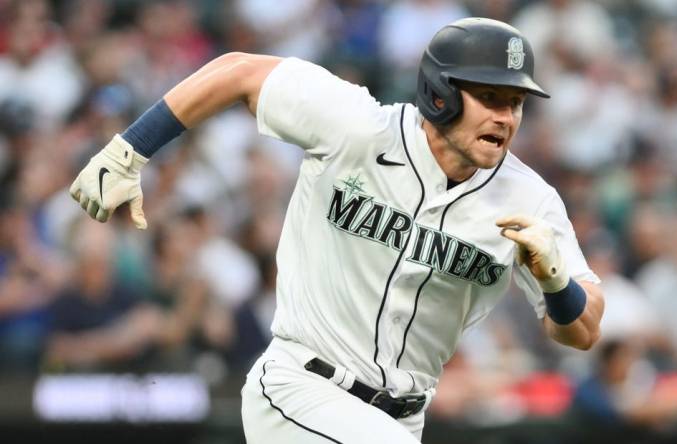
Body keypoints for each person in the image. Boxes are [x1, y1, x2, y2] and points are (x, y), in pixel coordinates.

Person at [68, 17, 604, 443]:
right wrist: (129, 150)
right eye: (490, 98)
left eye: (515, 104)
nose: (506, 117)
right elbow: (238, 71)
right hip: (301, 388)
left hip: (401, 421)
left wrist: (557, 283)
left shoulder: (530, 199)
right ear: (440, 92)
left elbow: (582, 332)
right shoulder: (357, 125)